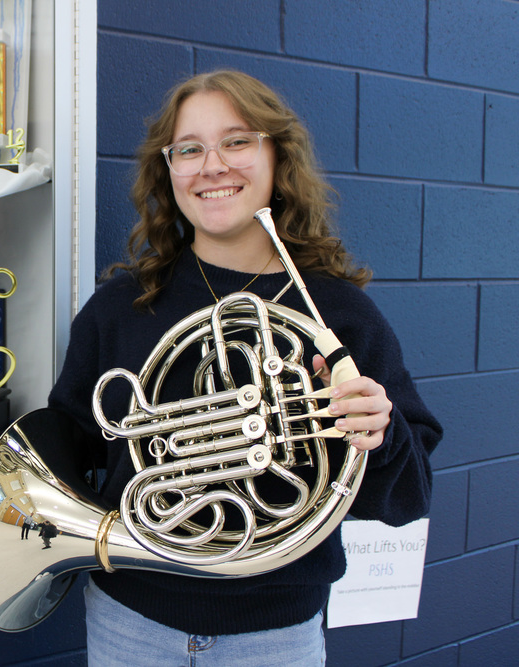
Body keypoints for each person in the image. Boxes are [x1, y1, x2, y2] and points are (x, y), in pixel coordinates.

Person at [47, 70, 442, 666]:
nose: (212, 166)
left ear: (278, 158)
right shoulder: (120, 310)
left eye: (237, 141)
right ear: (169, 170)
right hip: (130, 625)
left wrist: (377, 436)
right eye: (189, 148)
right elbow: (64, 453)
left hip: (273, 638)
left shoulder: (338, 317)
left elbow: (408, 498)